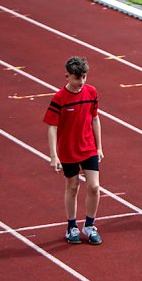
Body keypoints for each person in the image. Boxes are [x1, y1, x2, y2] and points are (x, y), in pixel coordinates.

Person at [44, 56, 104, 245]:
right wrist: (54, 155)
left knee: (94, 187)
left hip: (88, 147)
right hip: (68, 150)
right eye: (77, 78)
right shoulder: (59, 98)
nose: (81, 82)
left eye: (84, 77)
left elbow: (95, 118)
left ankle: (89, 225)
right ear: (67, 76)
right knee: (72, 187)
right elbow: (52, 127)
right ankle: (71, 226)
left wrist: (99, 146)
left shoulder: (91, 92)